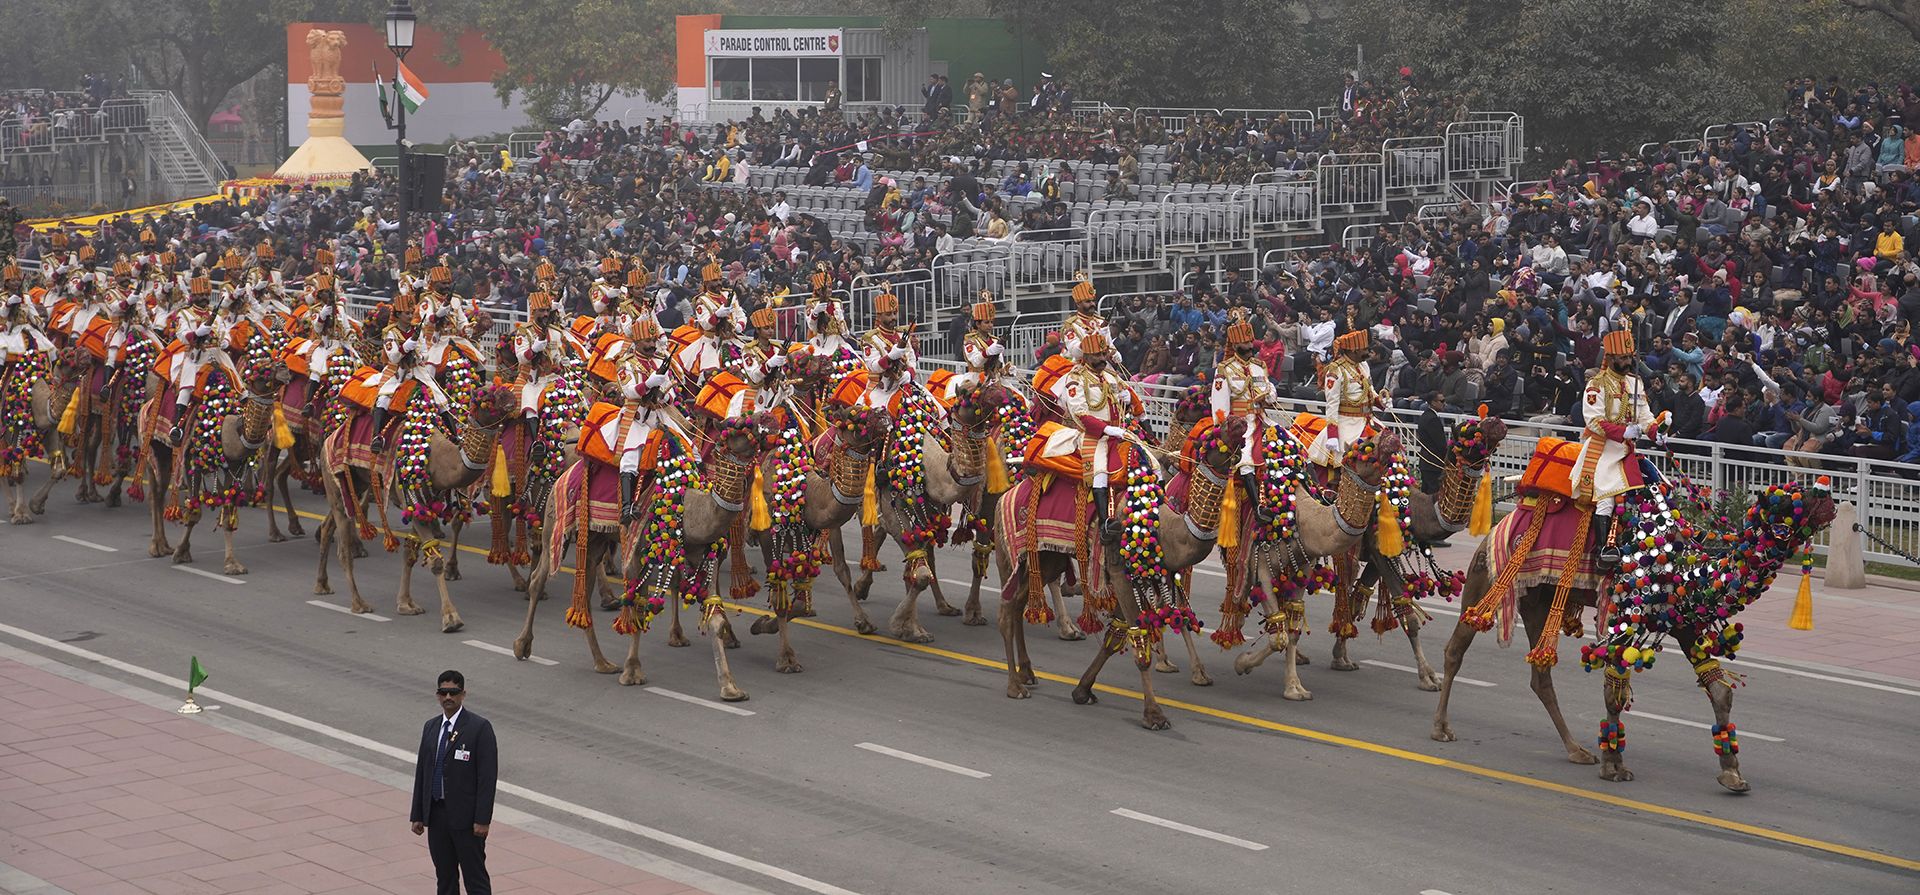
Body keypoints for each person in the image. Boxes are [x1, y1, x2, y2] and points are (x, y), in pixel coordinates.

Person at [410, 670, 497, 895]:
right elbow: (423, 772)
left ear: (463, 694)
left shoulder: (479, 728)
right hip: (437, 815)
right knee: (445, 877)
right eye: (443, 692)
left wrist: (482, 820)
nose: (448, 697)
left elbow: (487, 778)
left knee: (475, 878)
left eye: (453, 692)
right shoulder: (431, 727)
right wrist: (418, 814)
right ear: (437, 695)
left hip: (466, 820)